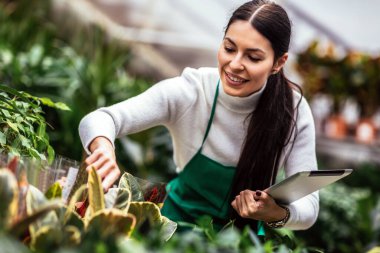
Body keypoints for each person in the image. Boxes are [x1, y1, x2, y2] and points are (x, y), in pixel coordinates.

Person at [79, 0, 319, 235]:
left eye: (253, 57)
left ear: (278, 63)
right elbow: (100, 119)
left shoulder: (293, 111)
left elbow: (309, 206)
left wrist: (274, 213)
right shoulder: (193, 91)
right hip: (171, 232)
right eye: (229, 48)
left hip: (238, 243)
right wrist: (104, 149)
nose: (235, 64)